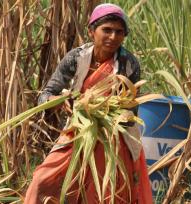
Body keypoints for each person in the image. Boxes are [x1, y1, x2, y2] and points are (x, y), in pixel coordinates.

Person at [25, 4, 153, 204]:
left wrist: (99, 110)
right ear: (91, 31)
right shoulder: (76, 58)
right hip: (77, 131)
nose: (113, 37)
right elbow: (45, 96)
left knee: (103, 193)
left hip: (113, 139)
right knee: (42, 181)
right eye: (107, 30)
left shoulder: (128, 64)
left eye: (120, 32)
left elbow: (130, 112)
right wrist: (62, 103)